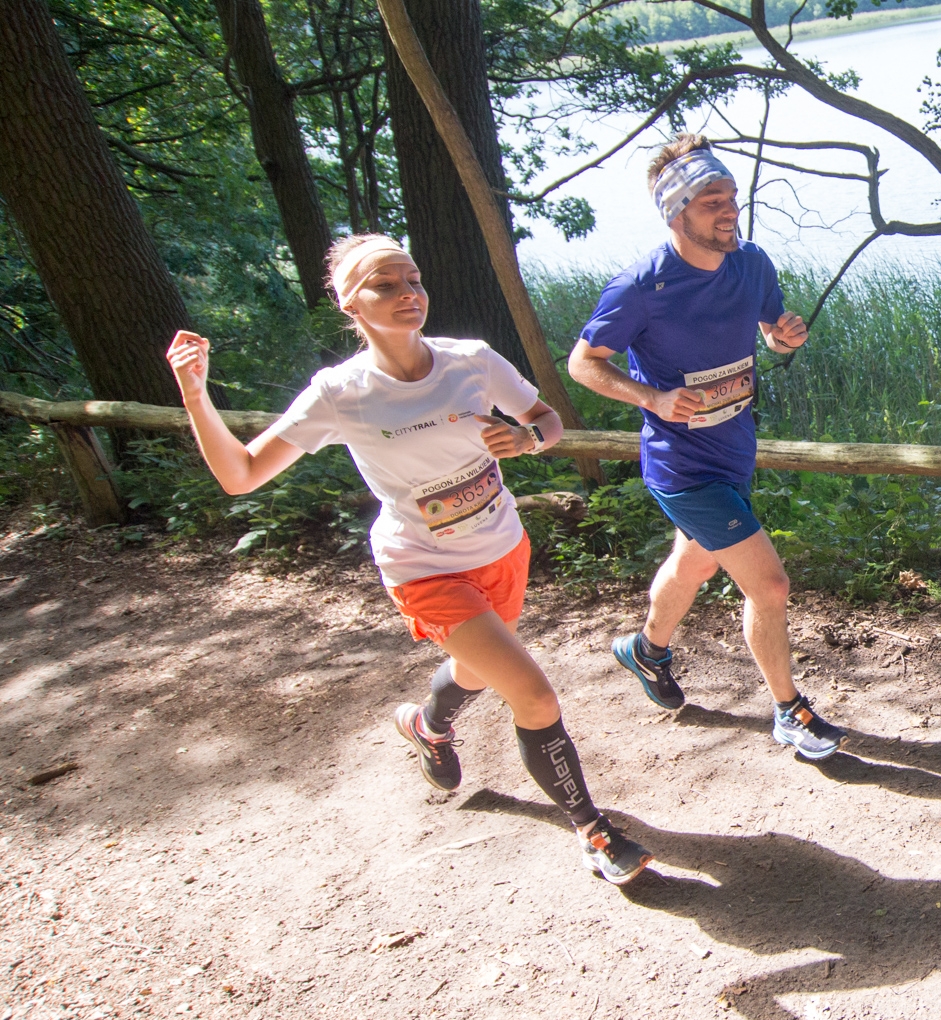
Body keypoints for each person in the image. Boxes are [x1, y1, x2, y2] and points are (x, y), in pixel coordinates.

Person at [163, 234, 652, 884]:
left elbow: (546, 417)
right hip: (423, 566)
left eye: (413, 280)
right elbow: (242, 473)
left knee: (476, 671)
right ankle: (594, 831)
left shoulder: (471, 360)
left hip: (502, 546)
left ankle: (427, 725)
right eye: (385, 285)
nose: (408, 294)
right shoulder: (341, 393)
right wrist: (196, 395)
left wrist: (529, 438)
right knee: (531, 693)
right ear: (349, 302)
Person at [568, 133, 847, 761]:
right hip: (682, 465)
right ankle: (788, 711)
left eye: (731, 198)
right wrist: (654, 399)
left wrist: (782, 338)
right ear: (676, 212)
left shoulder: (751, 264)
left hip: (733, 448)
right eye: (710, 201)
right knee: (769, 587)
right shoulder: (641, 287)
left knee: (694, 564)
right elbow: (584, 364)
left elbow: (771, 328)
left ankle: (645, 651)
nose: (728, 212)